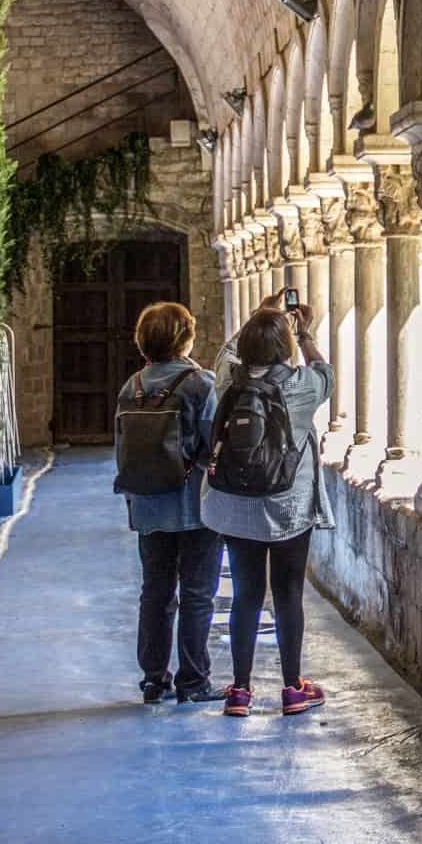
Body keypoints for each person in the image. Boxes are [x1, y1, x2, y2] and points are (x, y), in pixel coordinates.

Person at [202, 296, 334, 718]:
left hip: (236, 504)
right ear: (285, 346)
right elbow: (326, 374)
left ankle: (239, 690)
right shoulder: (300, 387)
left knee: (246, 594)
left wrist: (254, 318)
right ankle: (293, 688)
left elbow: (225, 354)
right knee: (288, 594)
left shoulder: (228, 382)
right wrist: (305, 332)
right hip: (287, 507)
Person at [115, 302, 223, 705]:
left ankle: (153, 680)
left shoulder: (133, 386)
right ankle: (193, 681)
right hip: (196, 506)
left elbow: (121, 449)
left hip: (148, 505)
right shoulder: (201, 384)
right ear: (186, 339)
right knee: (197, 593)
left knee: (155, 593)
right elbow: (214, 443)